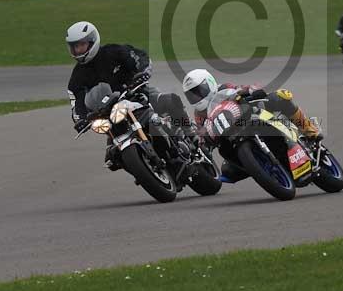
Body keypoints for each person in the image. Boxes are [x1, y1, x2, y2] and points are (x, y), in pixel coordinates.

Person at [65, 21, 196, 170]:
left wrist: (141, 73)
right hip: (110, 113)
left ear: (92, 41)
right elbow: (76, 105)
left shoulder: (113, 51)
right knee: (112, 158)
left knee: (170, 100)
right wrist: (81, 119)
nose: (78, 50)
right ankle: (142, 167)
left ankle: (190, 132)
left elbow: (140, 58)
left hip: (136, 92)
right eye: (75, 46)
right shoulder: (76, 78)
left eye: (81, 45)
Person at [181, 68, 324, 183]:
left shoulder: (224, 88)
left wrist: (251, 91)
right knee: (227, 172)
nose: (197, 97)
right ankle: (261, 166)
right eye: (192, 95)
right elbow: (202, 134)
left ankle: (310, 130)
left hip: (252, 117)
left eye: (199, 91)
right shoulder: (199, 113)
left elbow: (245, 88)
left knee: (280, 96)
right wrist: (202, 140)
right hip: (232, 138)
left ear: (210, 83)